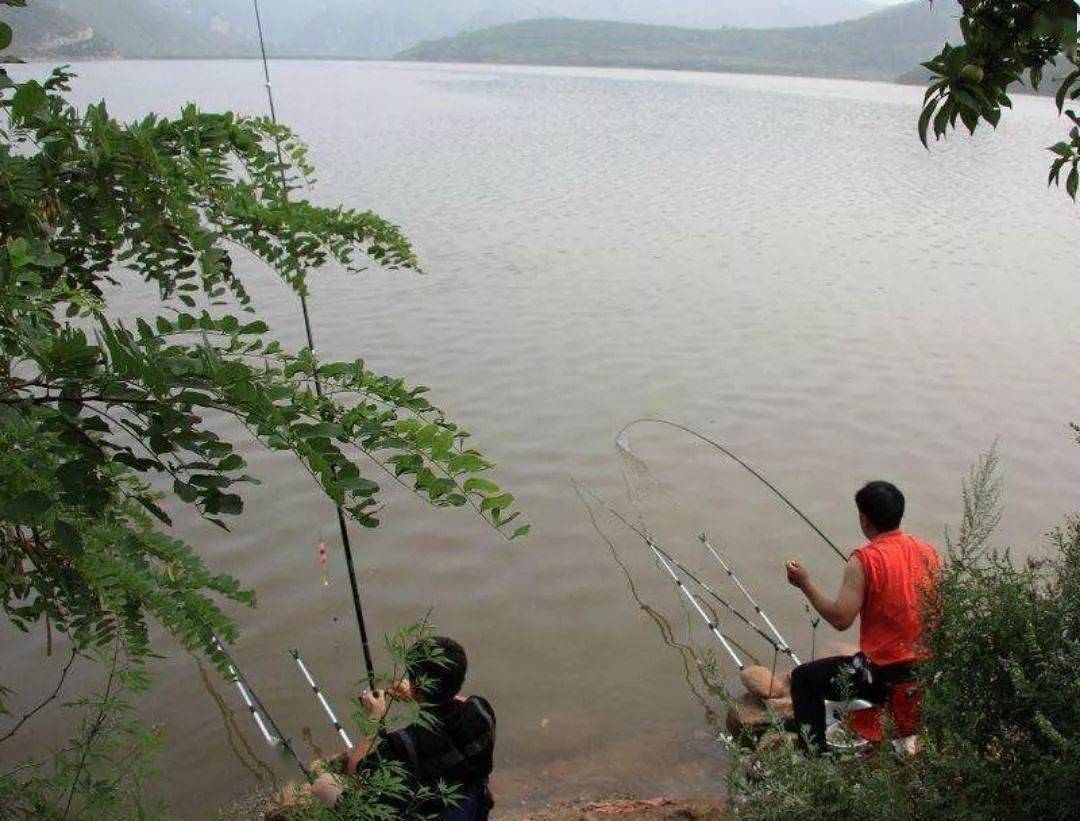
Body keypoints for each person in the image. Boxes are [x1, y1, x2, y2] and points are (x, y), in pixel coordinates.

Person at [784, 480, 940, 752]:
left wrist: (804, 583)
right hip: (924, 672)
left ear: (864, 519)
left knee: (803, 679)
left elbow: (840, 619)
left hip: (883, 675)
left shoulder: (863, 560)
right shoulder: (929, 552)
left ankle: (815, 760)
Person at [305, 636, 496, 819]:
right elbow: (456, 699)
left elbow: (357, 770)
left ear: (416, 684)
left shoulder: (406, 745)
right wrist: (417, 694)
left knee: (323, 784)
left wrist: (373, 719)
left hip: (428, 815)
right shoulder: (482, 710)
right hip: (471, 809)